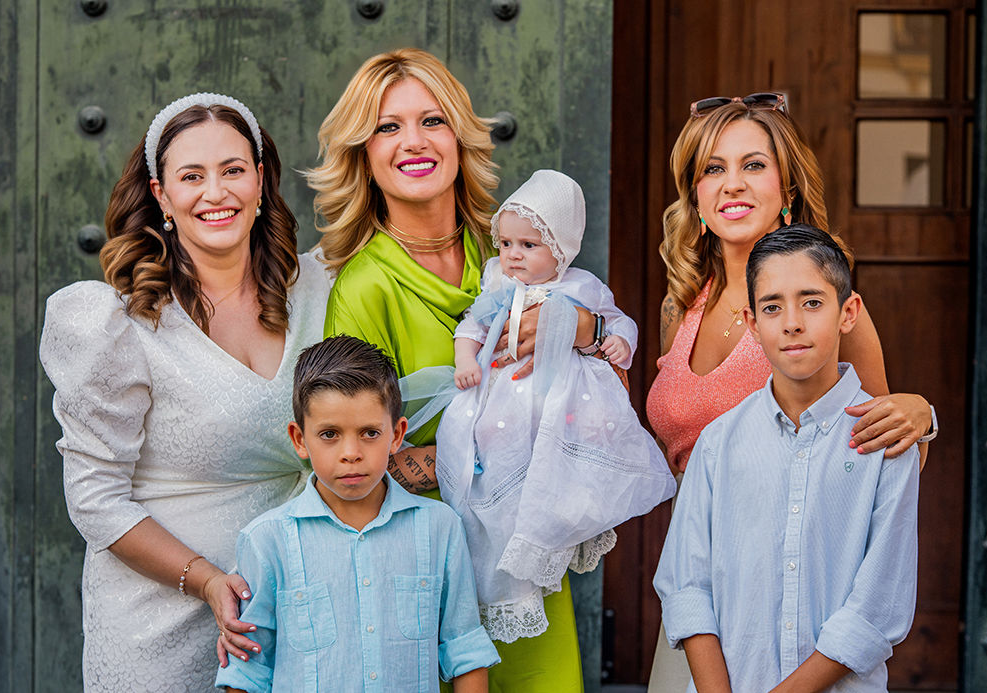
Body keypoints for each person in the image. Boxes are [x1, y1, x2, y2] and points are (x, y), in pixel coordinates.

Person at [309, 49, 592, 691]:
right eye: (388, 127)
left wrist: (587, 332)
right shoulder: (363, 287)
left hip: (526, 565)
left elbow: (588, 374)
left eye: (432, 121)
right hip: (423, 574)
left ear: (460, 139)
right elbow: (352, 454)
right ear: (365, 153)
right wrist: (495, 451)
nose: (413, 141)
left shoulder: (509, 251)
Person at [39, 93, 332, 690]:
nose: (215, 192)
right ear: (162, 196)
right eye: (191, 176)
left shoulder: (323, 288)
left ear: (260, 182)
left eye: (233, 170)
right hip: (160, 624)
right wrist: (205, 579)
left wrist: (579, 326)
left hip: (293, 612)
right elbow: (96, 499)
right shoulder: (120, 324)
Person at [645, 94, 935, 690]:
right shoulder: (683, 308)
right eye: (713, 169)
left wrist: (921, 412)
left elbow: (882, 447)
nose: (733, 184)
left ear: (788, 189)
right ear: (695, 197)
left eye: (754, 165)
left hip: (795, 584)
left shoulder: (823, 311)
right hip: (696, 588)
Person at [435, 170, 675, 644]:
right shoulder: (498, 284)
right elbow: (473, 325)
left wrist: (619, 345)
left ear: (561, 249)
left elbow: (617, 322)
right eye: (505, 244)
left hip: (565, 398)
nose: (513, 256)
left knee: (578, 442)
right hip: (504, 395)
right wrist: (466, 360)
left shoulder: (582, 287)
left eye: (528, 245)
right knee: (479, 443)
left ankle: (563, 515)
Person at [215, 335, 499, 693]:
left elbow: (465, 651)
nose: (351, 453)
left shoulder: (439, 528)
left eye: (369, 433)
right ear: (300, 439)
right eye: (330, 434)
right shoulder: (266, 541)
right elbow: (247, 673)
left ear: (396, 435)